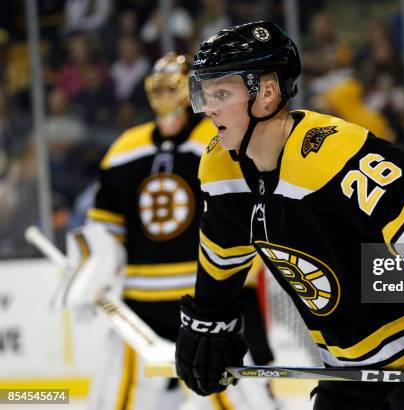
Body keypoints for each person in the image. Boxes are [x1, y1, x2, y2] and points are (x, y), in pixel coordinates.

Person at [176, 21, 404, 410]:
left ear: (267, 93)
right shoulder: (219, 167)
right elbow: (222, 252)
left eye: (221, 93)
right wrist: (209, 322)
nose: (208, 108)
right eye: (205, 94)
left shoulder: (330, 154)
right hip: (346, 374)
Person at [80, 52, 276, 410]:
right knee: (129, 397)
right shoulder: (128, 148)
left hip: (204, 296)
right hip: (143, 299)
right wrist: (90, 271)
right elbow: (103, 229)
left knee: (225, 393)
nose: (166, 94)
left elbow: (242, 209)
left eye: (174, 85)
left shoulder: (215, 139)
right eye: (160, 86)